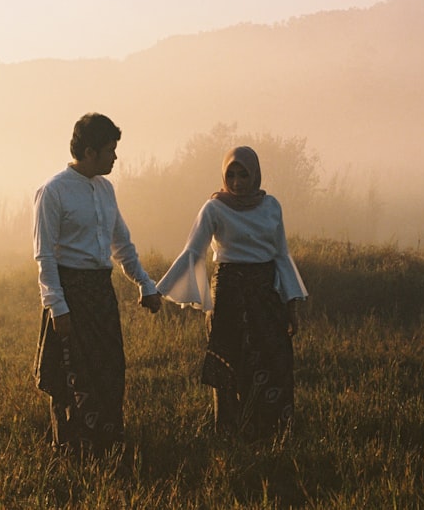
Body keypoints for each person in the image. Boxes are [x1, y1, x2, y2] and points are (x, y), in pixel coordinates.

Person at [156, 146, 307, 440]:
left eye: (244, 175)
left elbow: (281, 255)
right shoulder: (214, 208)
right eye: (232, 175)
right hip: (228, 295)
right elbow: (193, 250)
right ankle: (228, 432)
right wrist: (159, 290)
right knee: (229, 363)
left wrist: (292, 305)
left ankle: (272, 430)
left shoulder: (271, 206)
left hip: (265, 295)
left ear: (255, 175)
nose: (237, 182)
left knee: (273, 361)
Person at [32, 112, 161, 456]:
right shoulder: (53, 192)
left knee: (109, 367)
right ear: (89, 152)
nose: (115, 157)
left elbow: (122, 245)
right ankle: (71, 448)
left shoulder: (106, 190)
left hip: (101, 294)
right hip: (70, 293)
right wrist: (57, 306)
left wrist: (145, 284)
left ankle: (107, 443)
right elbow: (44, 256)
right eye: (109, 150)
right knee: (71, 374)